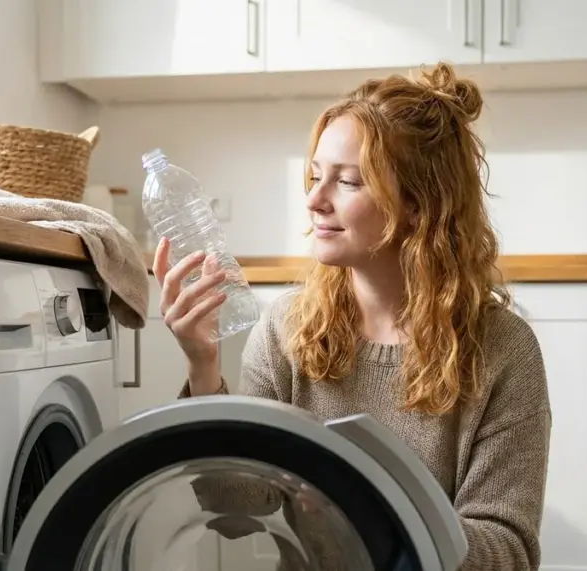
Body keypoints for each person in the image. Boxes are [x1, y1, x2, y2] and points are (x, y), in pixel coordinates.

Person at [152, 61, 552, 571]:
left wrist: (382, 517)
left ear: (418, 204)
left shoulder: (503, 349)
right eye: (315, 176)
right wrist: (202, 366)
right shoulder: (286, 329)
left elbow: (510, 551)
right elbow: (236, 509)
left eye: (349, 182)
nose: (315, 200)